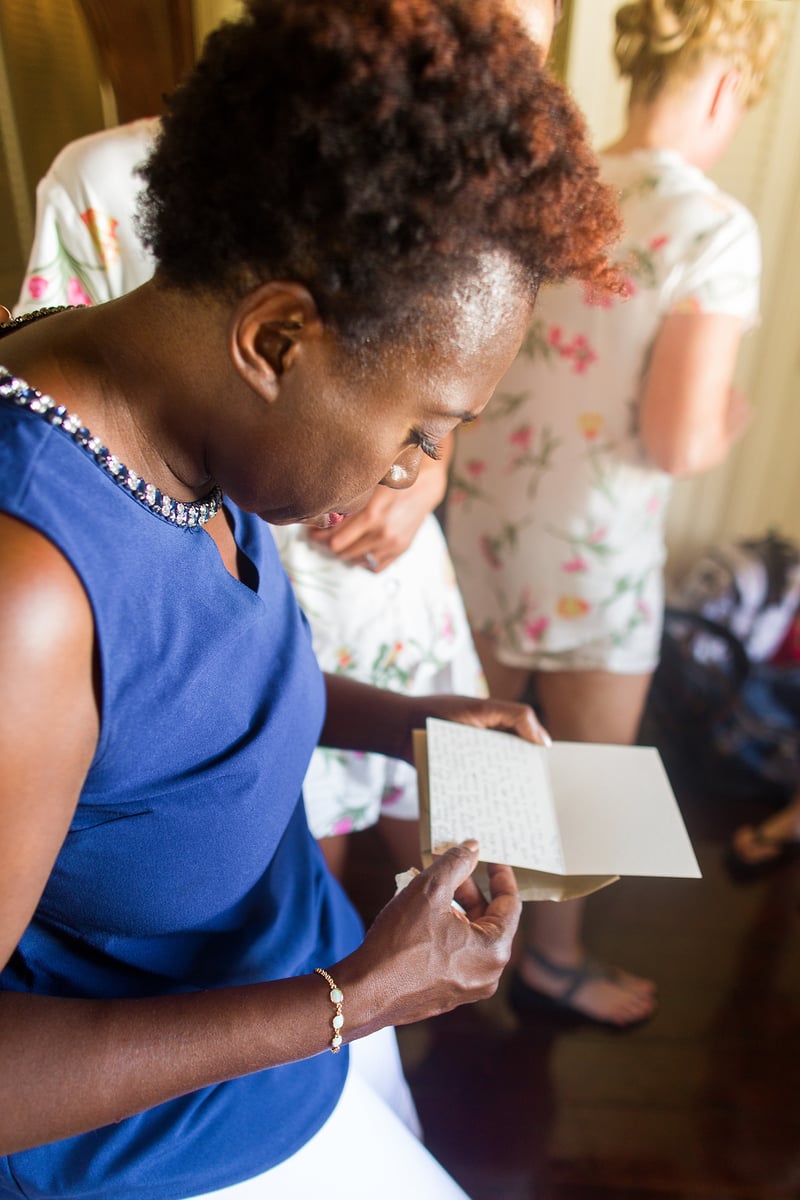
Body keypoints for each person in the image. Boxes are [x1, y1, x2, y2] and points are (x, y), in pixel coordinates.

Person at [0, 1, 623, 1197]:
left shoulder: (167, 412)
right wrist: (353, 1000)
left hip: (292, 1016)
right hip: (163, 1136)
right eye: (417, 425)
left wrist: (399, 718)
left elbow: (166, 704)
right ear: (278, 337)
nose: (414, 467)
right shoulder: (29, 591)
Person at [446, 0, 777, 1026]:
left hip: (483, 517)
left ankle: (445, 961)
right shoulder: (710, 227)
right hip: (593, 546)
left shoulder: (540, 188)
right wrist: (726, 419)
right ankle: (548, 961)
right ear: (725, 87)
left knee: (472, 755)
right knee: (585, 774)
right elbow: (675, 437)